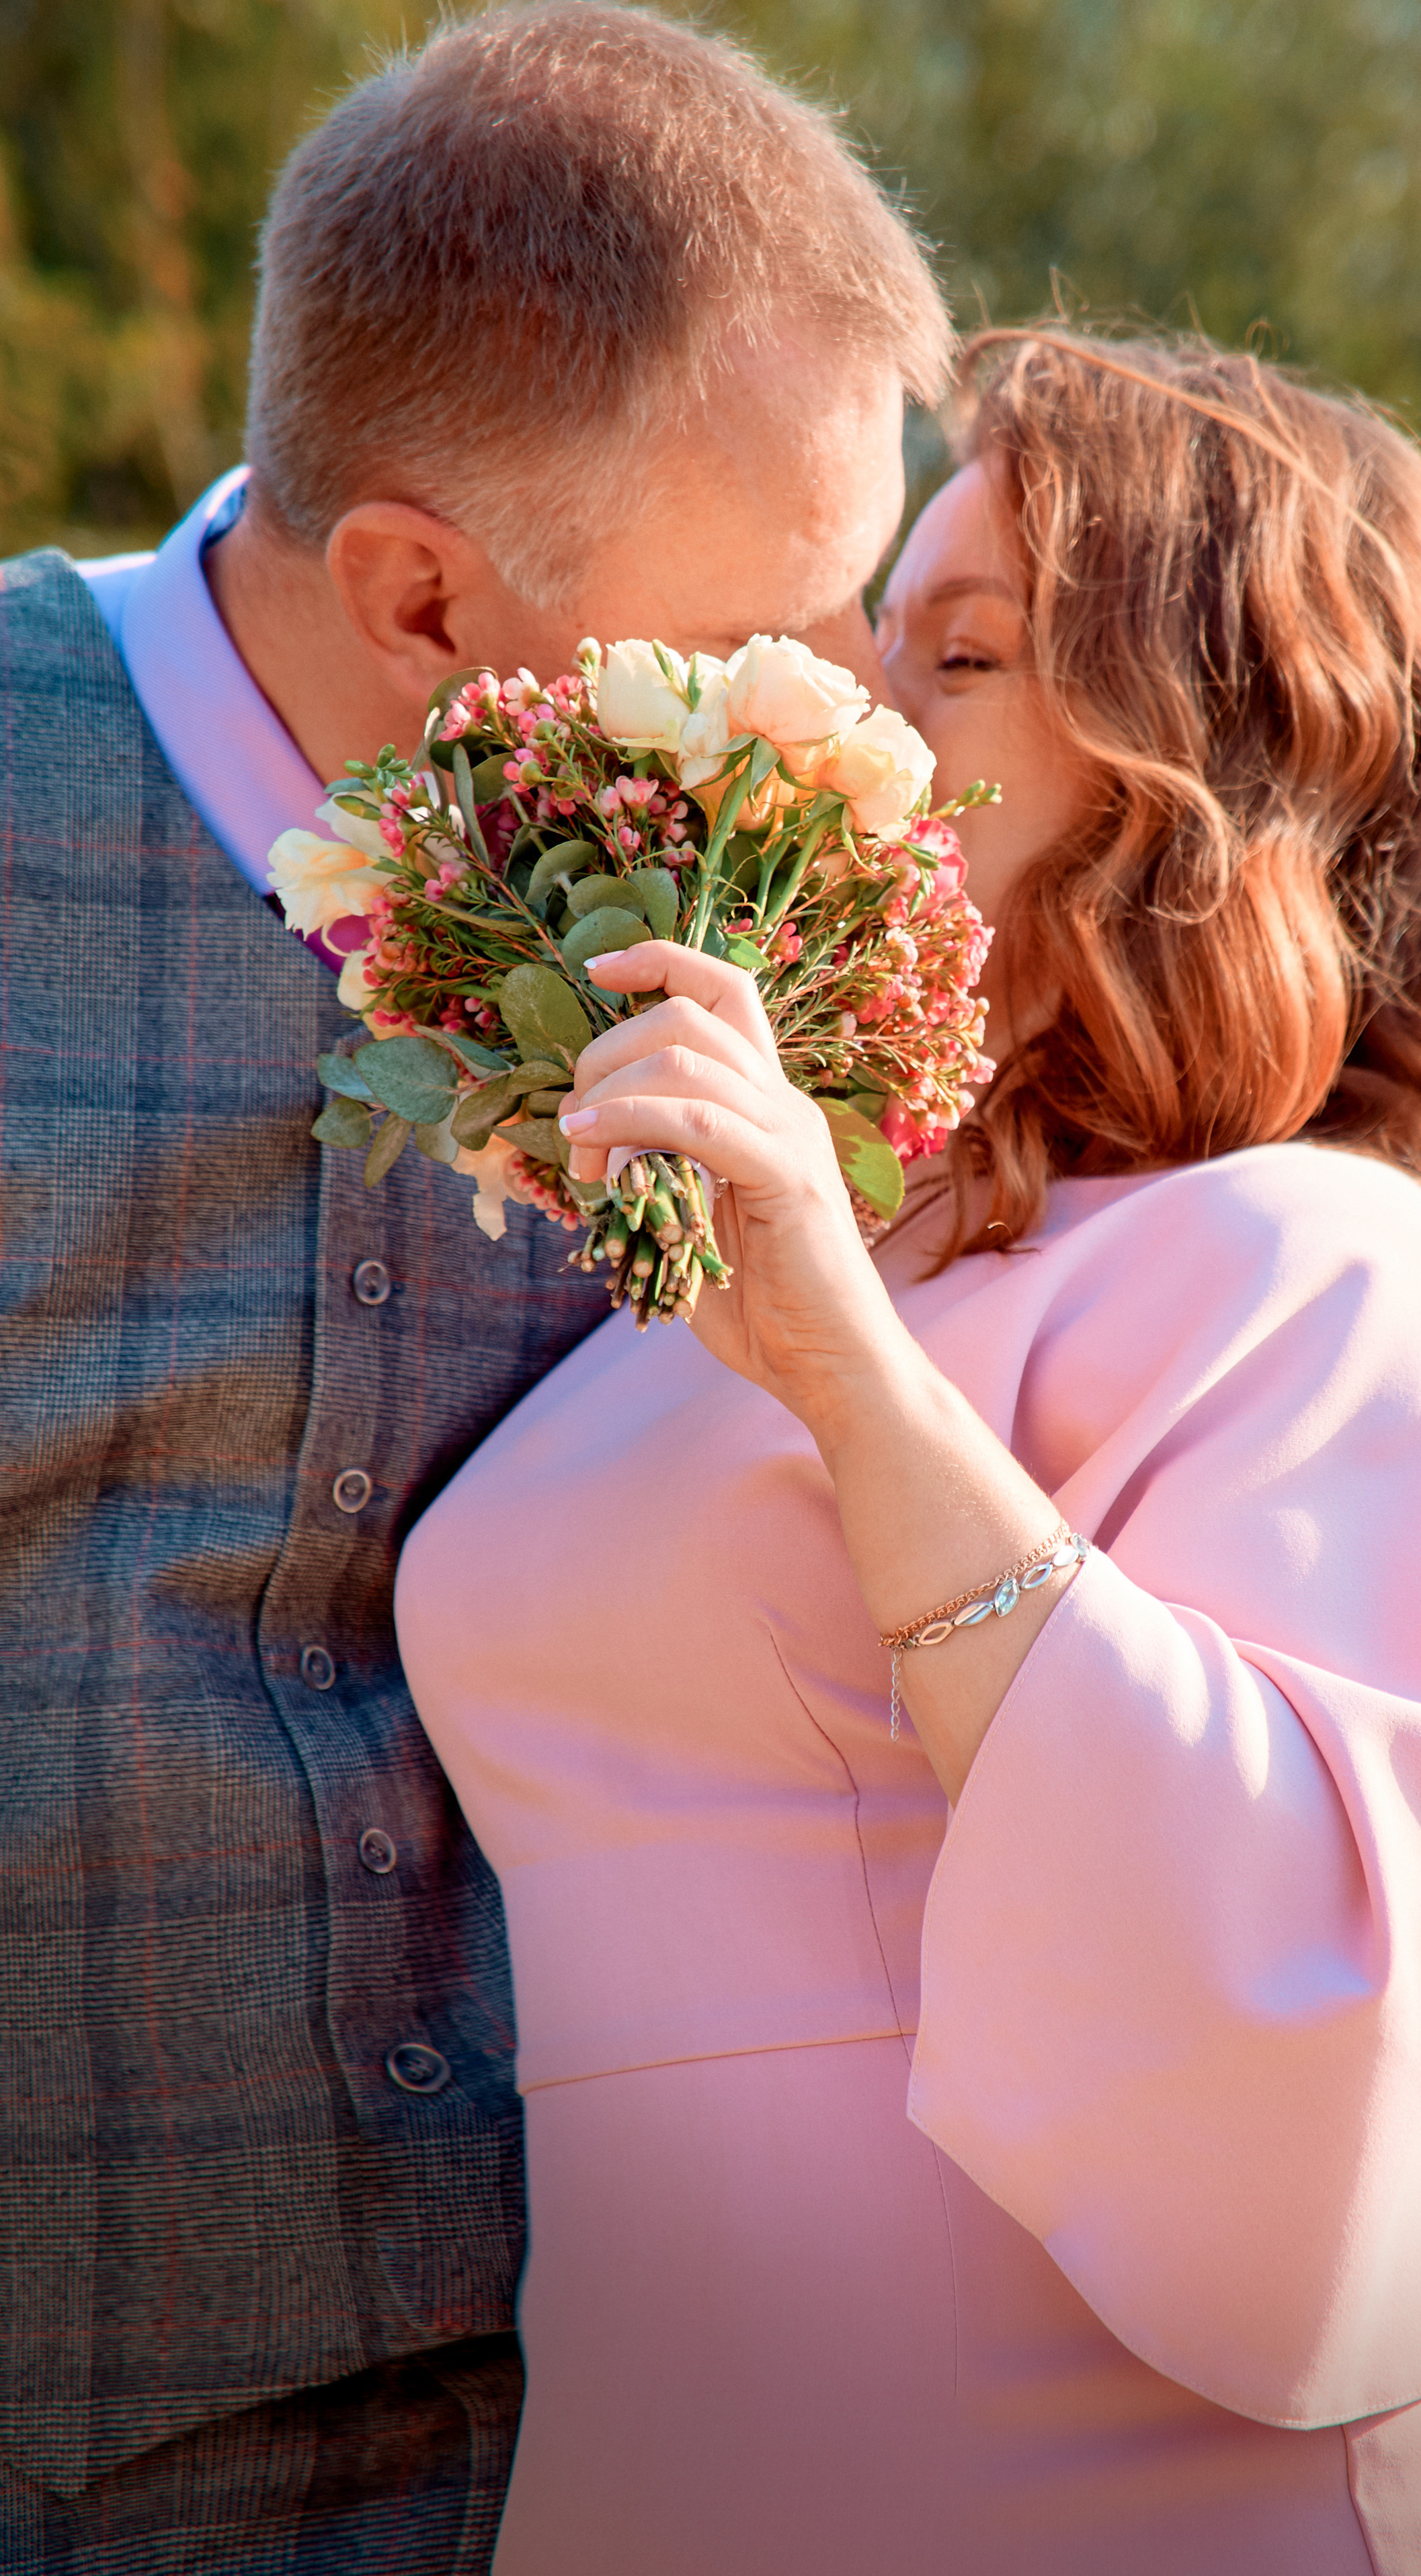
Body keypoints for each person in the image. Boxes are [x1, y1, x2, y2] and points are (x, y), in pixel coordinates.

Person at [397, 328, 1421, 2573]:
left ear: (1219, 750)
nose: (856, 726)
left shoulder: (1344, 1278)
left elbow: (1314, 2017)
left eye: (958, 657)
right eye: (869, 647)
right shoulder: (814, 1249)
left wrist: (849, 1379)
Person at [0, 7, 947, 2568]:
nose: (856, 700)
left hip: (634, 2461)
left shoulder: (788, 905)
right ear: (420, 594)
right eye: (775, 622)